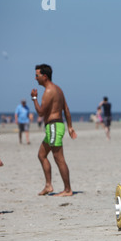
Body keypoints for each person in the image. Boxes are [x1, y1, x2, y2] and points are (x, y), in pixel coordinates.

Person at [31, 64, 77, 197]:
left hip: (53, 127)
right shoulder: (58, 89)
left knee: (59, 158)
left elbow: (40, 112)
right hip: (56, 126)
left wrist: (34, 98)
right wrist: (69, 126)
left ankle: (67, 190)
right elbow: (66, 109)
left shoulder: (49, 91)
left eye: (37, 75)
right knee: (41, 155)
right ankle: (48, 185)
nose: (35, 78)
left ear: (44, 76)